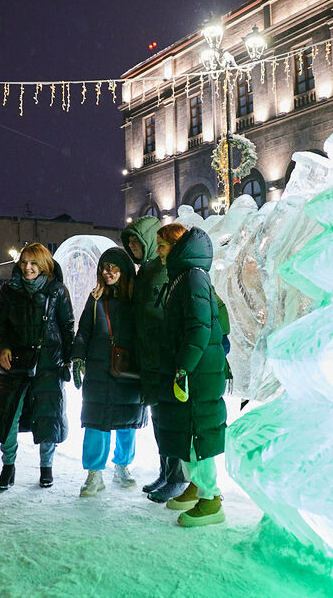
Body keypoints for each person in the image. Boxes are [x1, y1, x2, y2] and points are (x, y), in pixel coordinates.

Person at [155, 224, 228, 527]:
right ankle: (198, 487)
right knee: (189, 431)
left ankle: (211, 501)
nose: (157, 251)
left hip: (197, 372)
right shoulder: (183, 277)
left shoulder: (192, 278)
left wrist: (184, 367)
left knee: (197, 433)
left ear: (175, 246)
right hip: (195, 368)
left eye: (161, 245)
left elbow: (199, 328)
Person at [0, 243, 74, 490]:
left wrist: (68, 359)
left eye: (34, 263)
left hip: (49, 363)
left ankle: (46, 468)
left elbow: (67, 326)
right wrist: (2, 347)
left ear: (44, 265)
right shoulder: (9, 290)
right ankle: (8, 468)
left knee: (47, 416)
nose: (28, 267)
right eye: (25, 262)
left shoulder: (56, 290)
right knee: (9, 417)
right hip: (14, 364)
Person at [120, 216, 187, 502]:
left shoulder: (164, 271)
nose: (133, 246)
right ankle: (166, 473)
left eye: (137, 240)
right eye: (129, 242)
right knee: (161, 422)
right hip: (150, 361)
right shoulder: (145, 271)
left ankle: (178, 478)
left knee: (171, 422)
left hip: (164, 360)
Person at [70, 247, 146, 496]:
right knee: (96, 422)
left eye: (113, 267)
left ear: (124, 270)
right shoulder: (96, 298)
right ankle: (94, 473)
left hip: (129, 369)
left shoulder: (136, 298)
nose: (107, 271)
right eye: (104, 267)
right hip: (99, 368)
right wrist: (78, 356)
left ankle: (122, 465)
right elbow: (83, 332)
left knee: (127, 423)